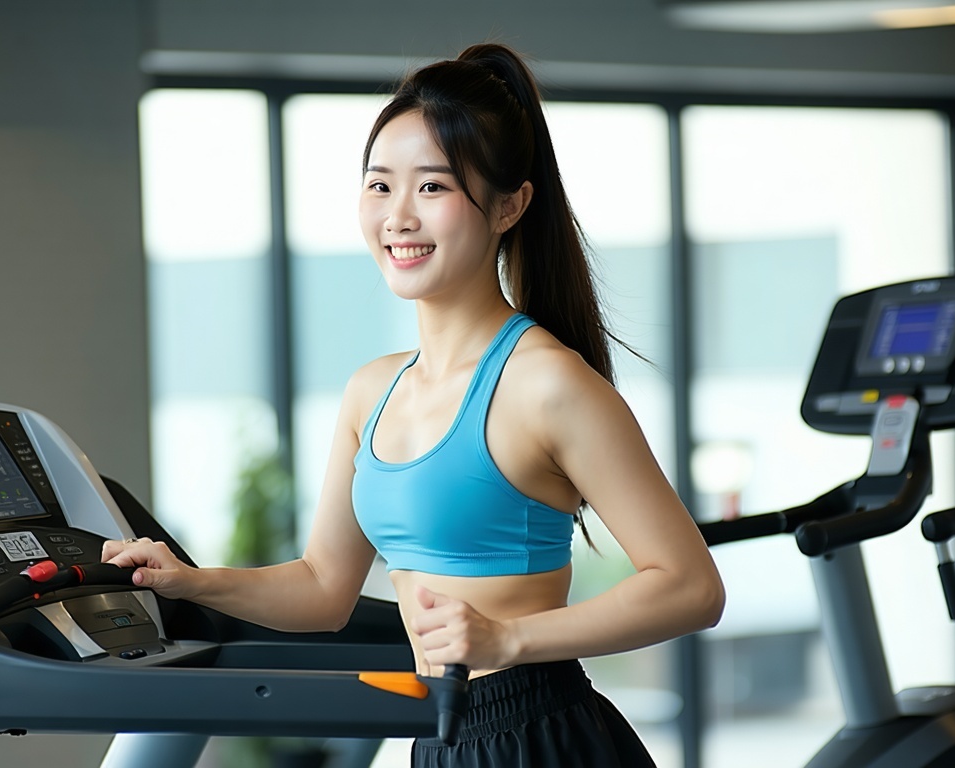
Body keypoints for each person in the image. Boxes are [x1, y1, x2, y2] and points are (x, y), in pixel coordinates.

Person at [104, 42, 725, 767]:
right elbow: (323, 589)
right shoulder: (373, 390)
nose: (398, 217)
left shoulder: (549, 384)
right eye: (379, 186)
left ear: (509, 205)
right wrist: (188, 580)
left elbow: (690, 587)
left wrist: (507, 639)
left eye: (432, 188)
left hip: (539, 732)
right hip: (441, 735)